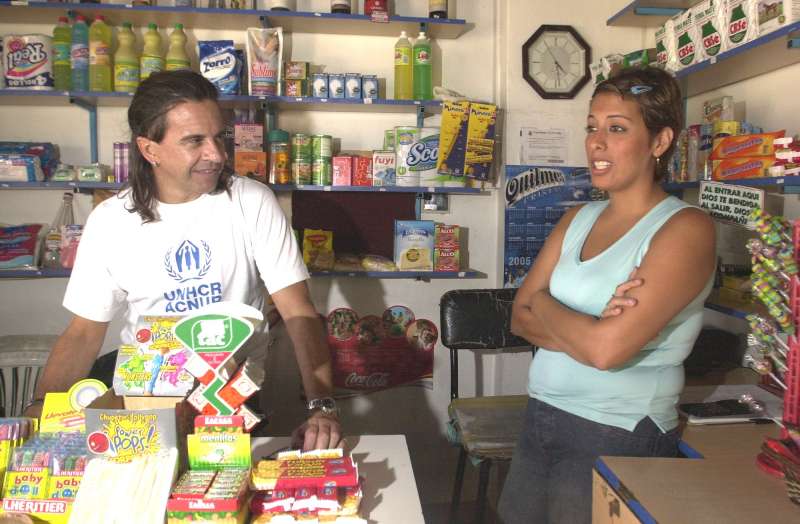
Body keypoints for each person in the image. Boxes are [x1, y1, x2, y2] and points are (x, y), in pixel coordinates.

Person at [24, 70, 341, 450]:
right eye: (195, 141)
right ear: (149, 150)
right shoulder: (110, 220)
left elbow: (298, 312)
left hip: (229, 395)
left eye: (218, 136)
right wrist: (39, 411)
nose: (217, 154)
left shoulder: (251, 201)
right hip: (142, 397)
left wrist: (322, 405)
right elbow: (82, 333)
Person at [497, 66, 716, 523]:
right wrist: (586, 325)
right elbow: (519, 316)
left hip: (618, 430)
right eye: (592, 127)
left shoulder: (684, 229)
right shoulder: (577, 218)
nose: (596, 142)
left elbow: (606, 351)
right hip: (542, 416)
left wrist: (546, 304)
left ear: (659, 142)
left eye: (617, 128)